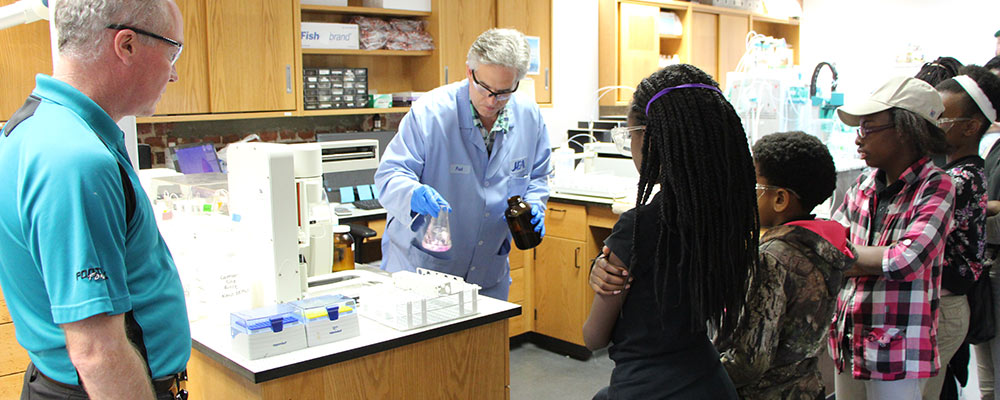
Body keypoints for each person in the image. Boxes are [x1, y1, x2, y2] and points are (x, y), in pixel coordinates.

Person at [0, 1, 189, 399]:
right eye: (172, 52)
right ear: (127, 45)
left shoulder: (30, 127)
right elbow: (97, 352)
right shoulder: (76, 160)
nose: (173, 74)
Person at [582, 64, 758, 399]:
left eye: (629, 133)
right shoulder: (727, 216)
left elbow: (594, 337)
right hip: (710, 382)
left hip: (646, 387)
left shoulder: (640, 226)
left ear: (650, 137)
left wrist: (605, 277)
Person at [374, 28, 551, 300]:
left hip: (489, 272)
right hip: (423, 271)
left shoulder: (529, 116)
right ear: (470, 72)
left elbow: (538, 175)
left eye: (504, 92)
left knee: (485, 343)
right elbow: (389, 175)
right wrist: (413, 194)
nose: (492, 101)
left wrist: (535, 204)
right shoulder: (430, 113)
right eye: (485, 88)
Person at [829, 76, 953, 400]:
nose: (859, 140)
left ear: (904, 130)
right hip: (849, 338)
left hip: (896, 348)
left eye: (868, 128)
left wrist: (848, 257)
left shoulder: (936, 186)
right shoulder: (863, 185)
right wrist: (867, 258)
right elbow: (827, 245)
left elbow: (906, 260)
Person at [715, 131, 854, 400]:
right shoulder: (823, 246)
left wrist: (698, 374)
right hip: (805, 388)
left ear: (780, 199)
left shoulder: (772, 257)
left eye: (751, 186)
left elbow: (750, 360)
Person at [923, 67, 999, 399]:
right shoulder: (954, 171)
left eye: (940, 117)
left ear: (970, 127)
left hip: (949, 299)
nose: (930, 124)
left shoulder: (957, 179)